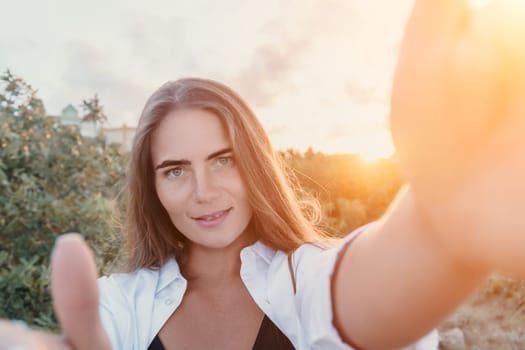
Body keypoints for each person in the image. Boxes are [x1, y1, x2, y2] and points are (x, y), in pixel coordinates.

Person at [2, 0, 525, 348]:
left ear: (255, 164)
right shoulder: (120, 303)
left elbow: (376, 292)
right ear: (153, 188)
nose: (204, 192)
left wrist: (437, 227)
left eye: (223, 159)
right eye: (176, 170)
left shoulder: (308, 279)